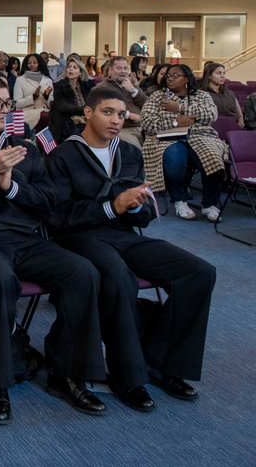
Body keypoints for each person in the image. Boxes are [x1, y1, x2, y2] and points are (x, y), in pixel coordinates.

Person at [0, 74, 107, 424]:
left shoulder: (23, 149)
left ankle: (66, 373)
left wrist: (11, 188)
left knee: (82, 272)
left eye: (8, 103)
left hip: (25, 240)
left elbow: (49, 202)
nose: (4, 109)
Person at [46, 86, 216, 409]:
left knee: (199, 272)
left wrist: (138, 207)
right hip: (80, 237)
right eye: (107, 112)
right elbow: (57, 216)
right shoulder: (62, 156)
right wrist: (112, 206)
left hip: (125, 235)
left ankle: (160, 361)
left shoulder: (130, 153)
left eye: (121, 114)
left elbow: (147, 209)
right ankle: (128, 375)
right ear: (88, 113)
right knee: (118, 276)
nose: (115, 120)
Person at [140, 64, 226, 221]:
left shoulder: (201, 95)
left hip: (200, 136)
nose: (170, 78)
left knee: (214, 160)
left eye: (175, 75)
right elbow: (147, 121)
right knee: (175, 159)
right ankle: (180, 200)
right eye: (168, 76)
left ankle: (209, 204)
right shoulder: (157, 97)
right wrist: (176, 122)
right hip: (168, 137)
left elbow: (210, 115)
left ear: (187, 78)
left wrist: (180, 108)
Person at [98, 56, 146, 149]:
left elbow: (147, 104)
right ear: (110, 70)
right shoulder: (102, 87)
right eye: (119, 68)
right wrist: (128, 115)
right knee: (137, 152)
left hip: (143, 128)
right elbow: (104, 107)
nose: (123, 71)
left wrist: (133, 90)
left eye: (125, 68)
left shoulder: (129, 84)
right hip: (123, 129)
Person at [48, 57, 93, 142]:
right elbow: (63, 107)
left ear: (80, 72)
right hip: (64, 121)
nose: (70, 69)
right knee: (81, 134)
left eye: (74, 67)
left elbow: (90, 102)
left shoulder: (85, 86)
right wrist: (85, 110)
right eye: (69, 67)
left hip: (84, 119)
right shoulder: (59, 86)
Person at [13, 53, 53, 129]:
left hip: (45, 111)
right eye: (29, 63)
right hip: (28, 113)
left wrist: (46, 96)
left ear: (40, 64)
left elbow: (51, 103)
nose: (32, 65)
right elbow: (17, 104)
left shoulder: (48, 80)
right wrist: (34, 96)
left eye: (35, 62)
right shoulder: (20, 80)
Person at [200, 63, 244, 127]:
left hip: (233, 127)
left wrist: (241, 124)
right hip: (212, 128)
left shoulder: (230, 93)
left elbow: (240, 115)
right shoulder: (201, 94)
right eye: (219, 73)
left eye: (224, 73)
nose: (223, 76)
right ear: (209, 75)